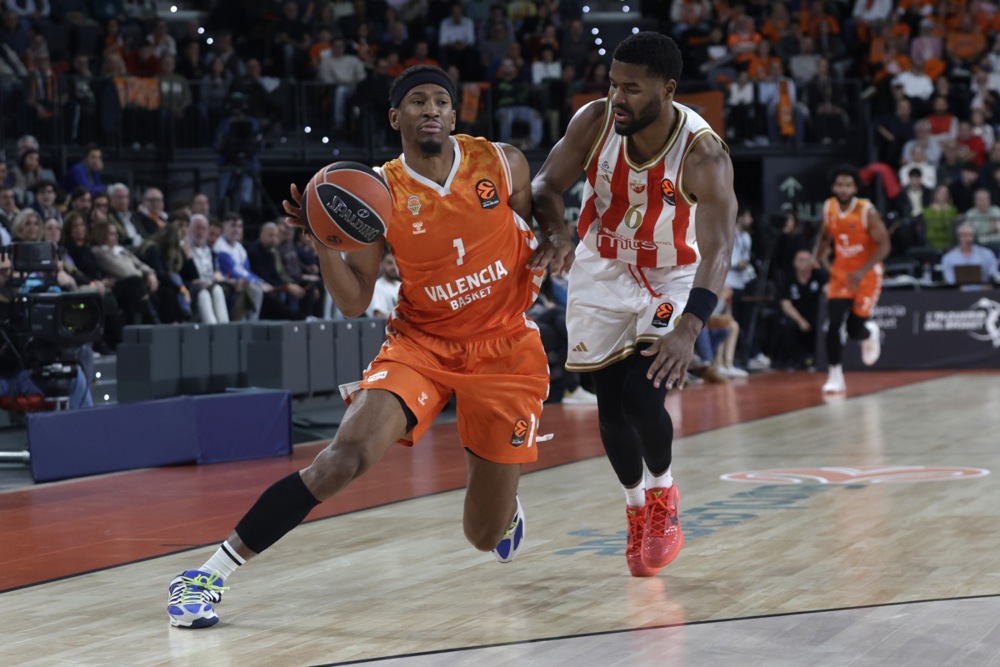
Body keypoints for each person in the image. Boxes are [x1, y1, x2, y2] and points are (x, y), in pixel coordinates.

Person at [166, 64, 571, 629]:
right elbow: (355, 301)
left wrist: (557, 236)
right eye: (417, 102)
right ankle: (208, 573)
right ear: (395, 117)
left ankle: (501, 505)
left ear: (455, 115)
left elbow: (540, 210)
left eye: (440, 102)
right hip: (421, 344)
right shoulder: (378, 193)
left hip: (504, 348)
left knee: (482, 536)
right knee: (344, 457)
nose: (430, 109)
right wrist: (324, 242)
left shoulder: (503, 162)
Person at [531, 33, 737, 578]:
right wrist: (555, 234)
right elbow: (546, 183)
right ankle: (634, 507)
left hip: (673, 272)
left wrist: (692, 324)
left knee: (643, 400)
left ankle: (665, 497)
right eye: (613, 84)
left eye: (632, 89)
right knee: (608, 407)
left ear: (667, 90)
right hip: (603, 265)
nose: (617, 98)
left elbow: (720, 246)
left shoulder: (703, 153)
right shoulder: (594, 121)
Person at [813, 165, 891, 393]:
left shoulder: (867, 211)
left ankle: (870, 333)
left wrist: (863, 269)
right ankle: (835, 375)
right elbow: (826, 234)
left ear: (855, 187)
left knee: (854, 328)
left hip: (867, 275)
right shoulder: (829, 207)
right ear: (833, 187)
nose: (843, 189)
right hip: (841, 274)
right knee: (833, 324)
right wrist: (817, 255)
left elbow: (885, 245)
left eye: (848, 185)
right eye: (839, 184)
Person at [778, 249, 827, 369]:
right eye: (798, 259)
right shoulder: (789, 279)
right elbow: (785, 304)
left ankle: (821, 359)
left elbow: (830, 292)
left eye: (804, 260)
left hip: (817, 315)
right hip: (797, 315)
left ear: (812, 263)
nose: (800, 262)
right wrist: (800, 321)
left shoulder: (820, 276)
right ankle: (792, 361)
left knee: (825, 325)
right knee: (787, 325)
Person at [366, 250, 400, 318]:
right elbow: (378, 315)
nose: (394, 267)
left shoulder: (403, 286)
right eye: (390, 263)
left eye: (396, 263)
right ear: (381, 264)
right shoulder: (376, 286)